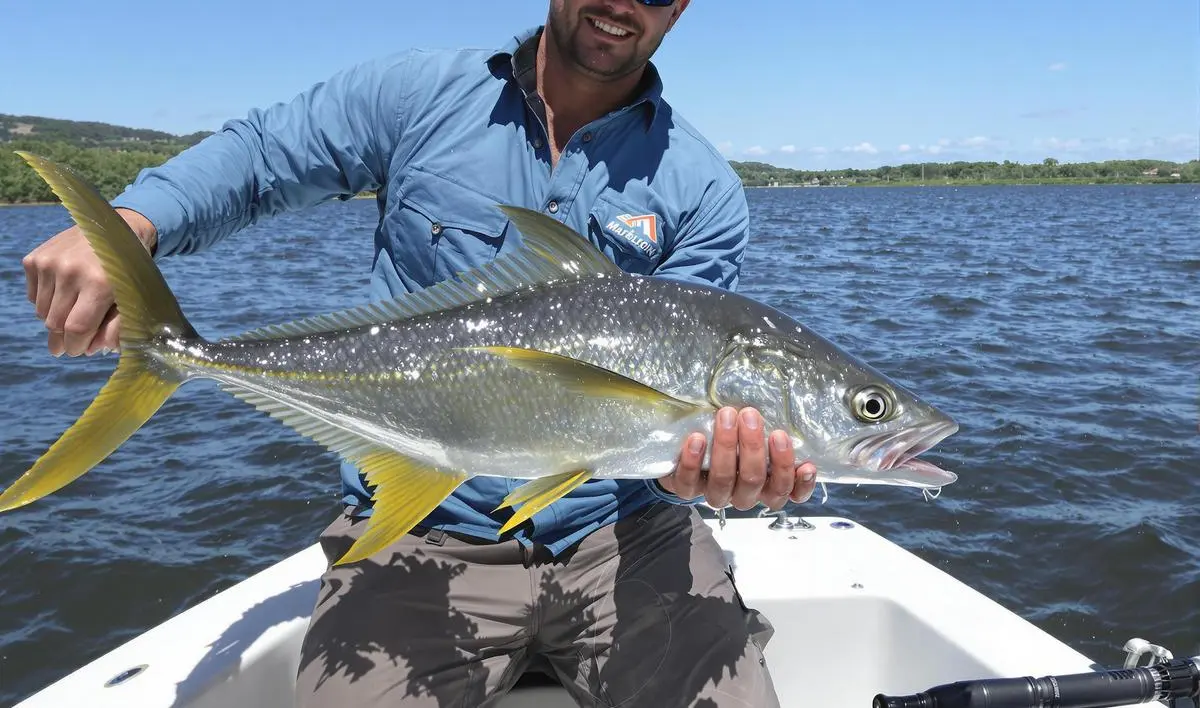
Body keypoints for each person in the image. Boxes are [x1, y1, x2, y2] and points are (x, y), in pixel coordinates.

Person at [21, 1, 818, 705]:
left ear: (679, 10)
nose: (622, 4)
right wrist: (135, 224)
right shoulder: (419, 96)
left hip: (629, 540)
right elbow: (264, 156)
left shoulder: (702, 185)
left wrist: (711, 470)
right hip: (418, 532)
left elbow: (689, 379)